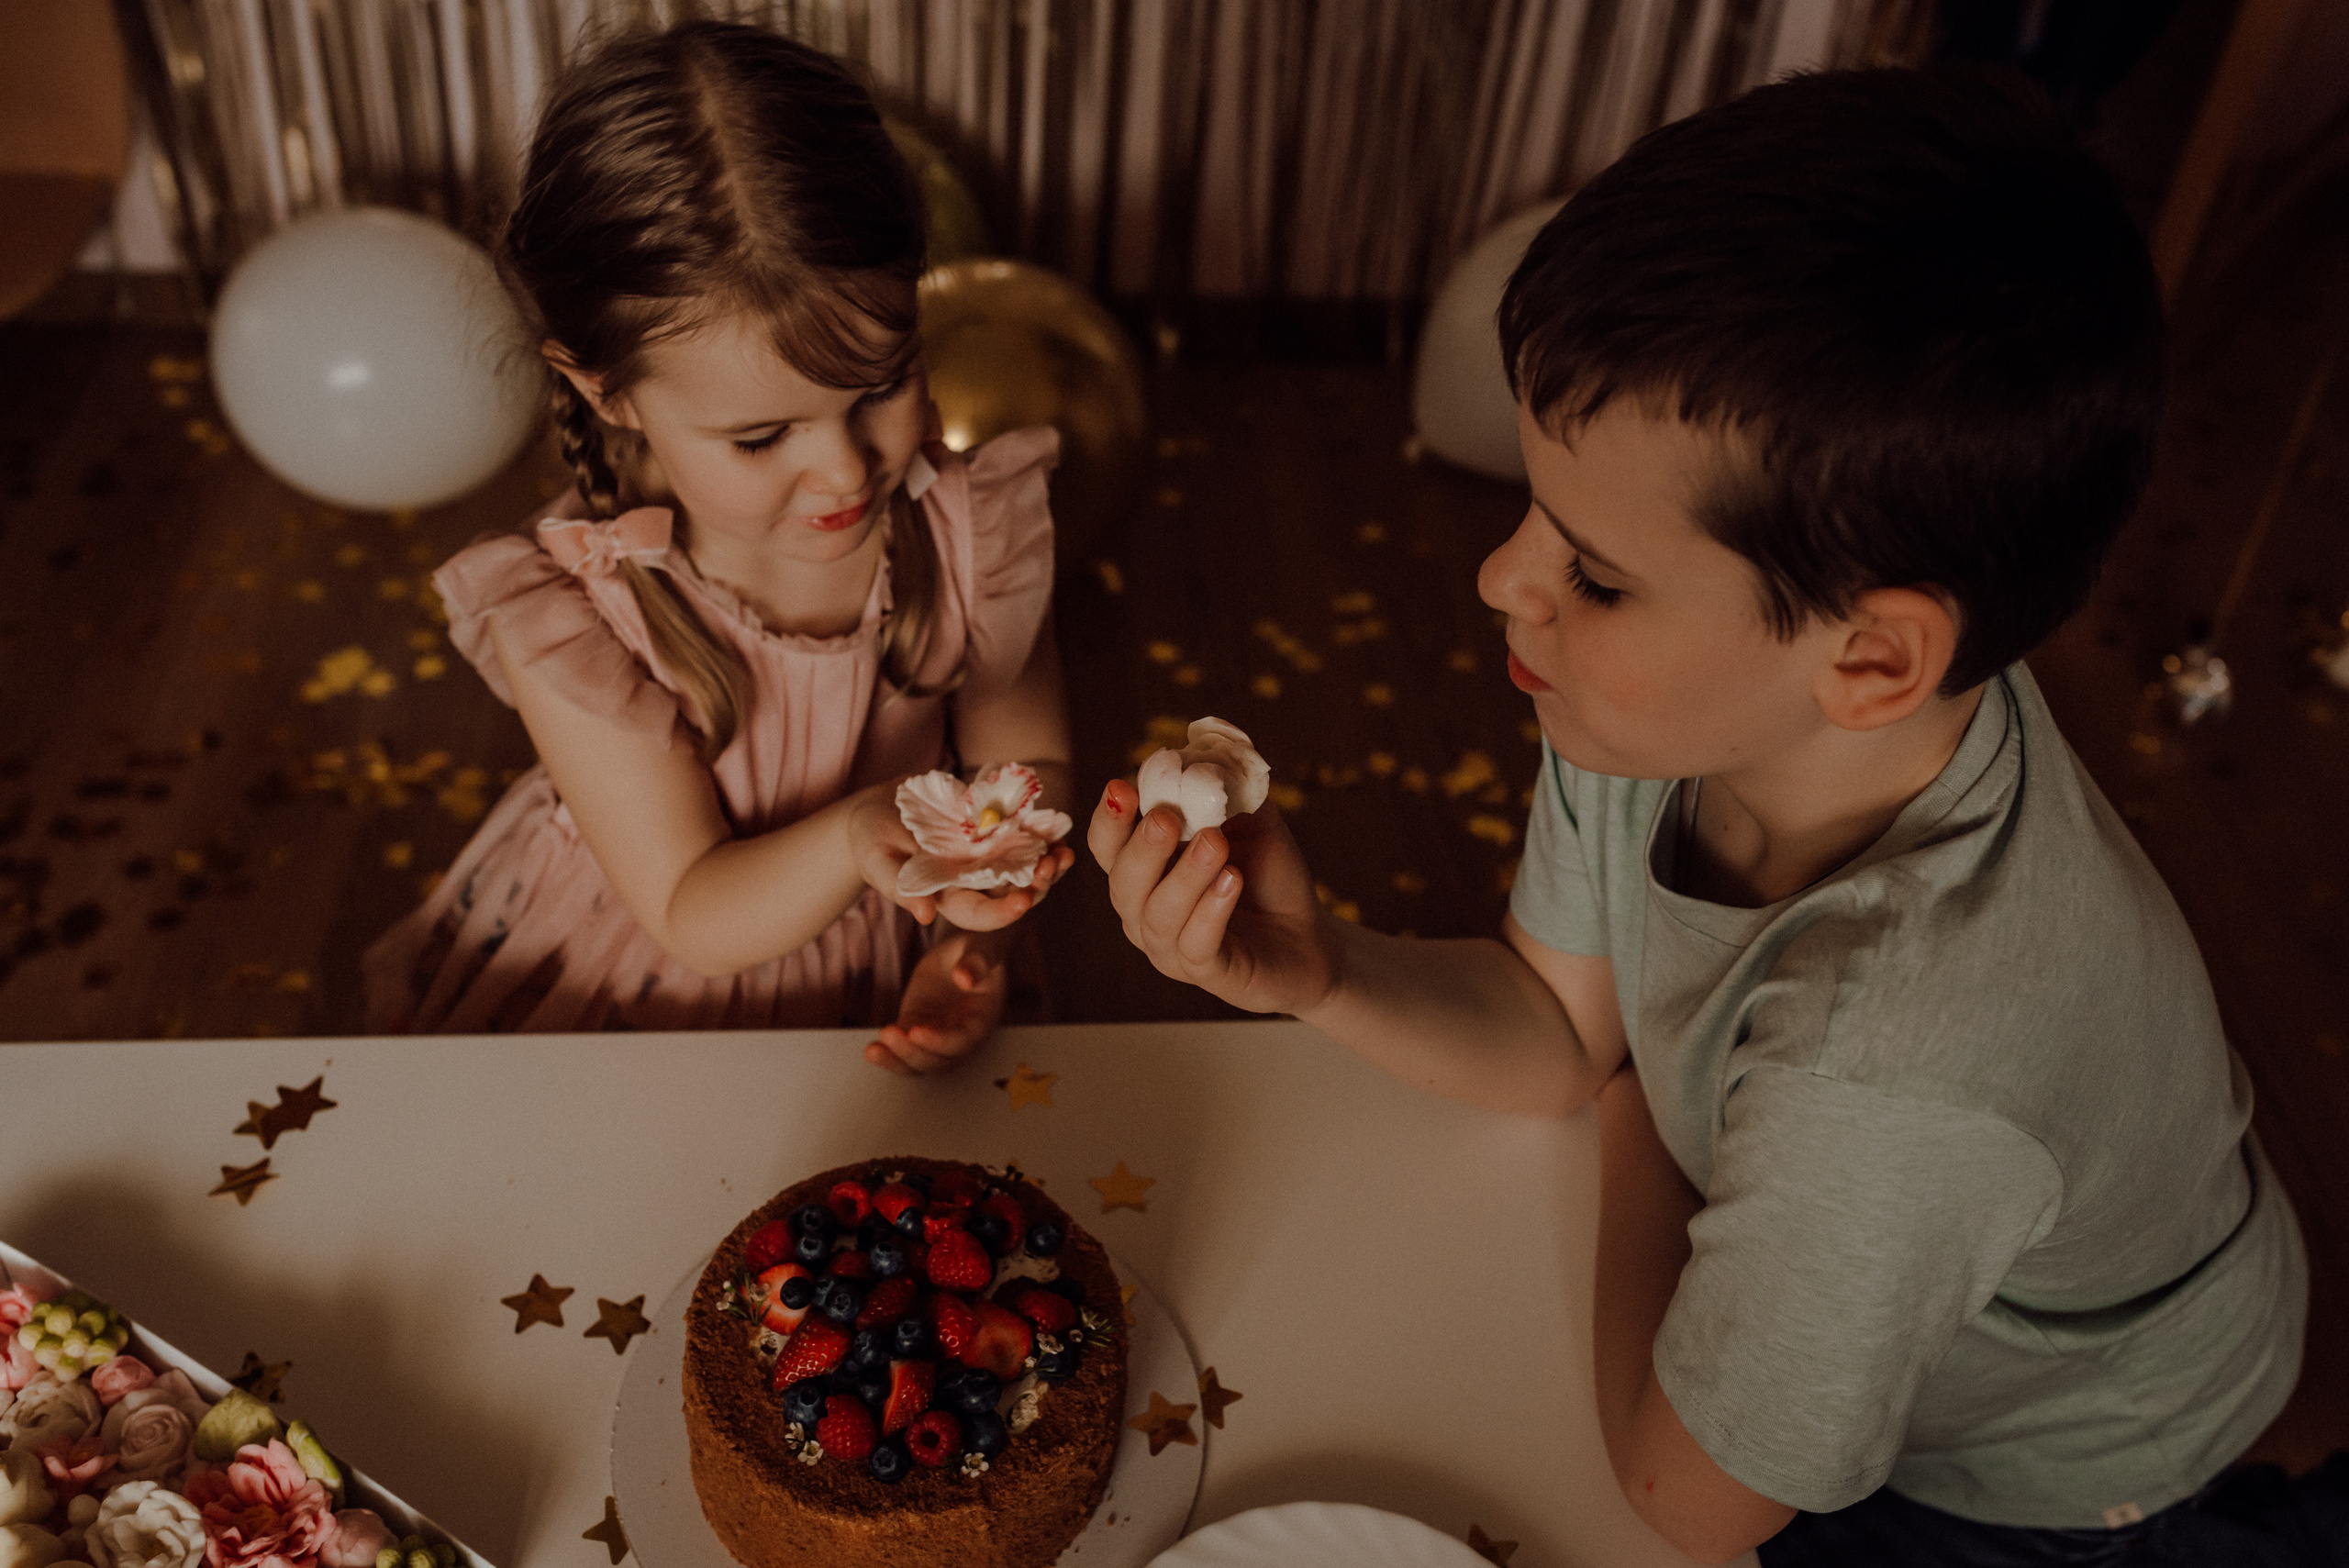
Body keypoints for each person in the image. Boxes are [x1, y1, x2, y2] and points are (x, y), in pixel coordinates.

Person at [1088, 68, 2312, 1565]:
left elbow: (1695, 1493)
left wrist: (1640, 1128)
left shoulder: (1894, 1078)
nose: (1500, 579)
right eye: (1540, 512)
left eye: (1593, 571)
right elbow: (1555, 1020)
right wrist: (1316, 966)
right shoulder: (1690, 705)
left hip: (2063, 1450)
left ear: (1872, 656)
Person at [364, 20, 1073, 1070]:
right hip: (638, 998)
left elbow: (1034, 759)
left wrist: (973, 934)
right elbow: (690, 906)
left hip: (887, 963)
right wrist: (855, 835)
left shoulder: (972, 531)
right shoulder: (568, 615)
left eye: (879, 387)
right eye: (761, 435)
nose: (845, 470)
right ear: (606, 390)